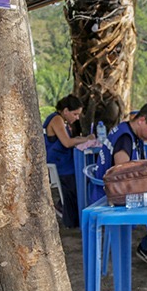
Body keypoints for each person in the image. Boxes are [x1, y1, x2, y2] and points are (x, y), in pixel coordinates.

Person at [92, 102, 147, 271]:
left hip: (118, 192)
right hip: (113, 196)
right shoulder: (124, 138)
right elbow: (124, 172)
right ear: (142, 120)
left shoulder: (131, 134)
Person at [43, 95, 95, 228]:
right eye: (75, 114)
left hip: (65, 161)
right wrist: (86, 139)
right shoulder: (56, 119)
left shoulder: (62, 121)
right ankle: (68, 214)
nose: (77, 118)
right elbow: (66, 143)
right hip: (60, 164)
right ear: (65, 111)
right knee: (78, 183)